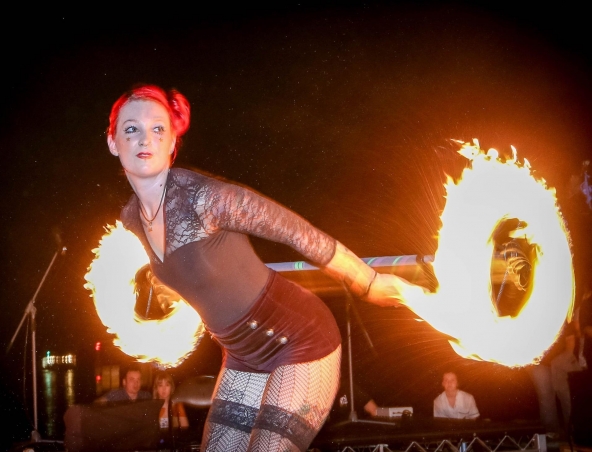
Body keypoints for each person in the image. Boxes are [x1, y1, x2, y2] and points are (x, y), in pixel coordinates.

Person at [106, 84, 424, 452]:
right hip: (241, 355)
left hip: (302, 340)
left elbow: (300, 234)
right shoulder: (130, 218)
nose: (145, 138)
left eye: (157, 128)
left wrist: (367, 281)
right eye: (131, 129)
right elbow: (193, 272)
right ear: (113, 141)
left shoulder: (207, 198)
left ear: (172, 139)